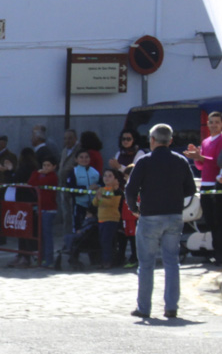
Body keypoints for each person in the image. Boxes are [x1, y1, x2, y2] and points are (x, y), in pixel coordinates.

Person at [126, 123, 197, 319]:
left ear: (153, 140)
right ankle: (171, 306)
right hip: (174, 215)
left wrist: (134, 208)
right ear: (171, 141)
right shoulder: (181, 161)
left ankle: (144, 308)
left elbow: (131, 189)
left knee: (146, 264)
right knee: (172, 262)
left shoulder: (144, 162)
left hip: (149, 215)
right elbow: (191, 189)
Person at [185, 110, 222, 266]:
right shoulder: (206, 141)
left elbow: (217, 162)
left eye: (217, 122)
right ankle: (216, 252)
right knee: (211, 222)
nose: (213, 125)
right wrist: (197, 155)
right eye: (211, 122)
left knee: (219, 222)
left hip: (217, 184)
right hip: (205, 185)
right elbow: (201, 166)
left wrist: (201, 157)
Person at [65, 149, 101, 248]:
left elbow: (102, 184)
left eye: (86, 157)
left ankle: (93, 255)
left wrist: (98, 187)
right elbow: (71, 190)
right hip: (79, 205)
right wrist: (86, 188)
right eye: (81, 157)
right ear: (76, 159)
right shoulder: (73, 172)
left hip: (93, 206)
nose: (84, 159)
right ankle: (74, 256)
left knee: (92, 230)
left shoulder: (95, 172)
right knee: (78, 229)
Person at [28, 155, 59, 268]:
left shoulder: (53, 177)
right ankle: (42, 258)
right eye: (44, 165)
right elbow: (31, 183)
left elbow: (37, 184)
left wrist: (38, 175)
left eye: (48, 165)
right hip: (40, 208)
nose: (45, 167)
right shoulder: (40, 175)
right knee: (40, 235)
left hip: (49, 209)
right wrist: (36, 173)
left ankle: (49, 259)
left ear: (54, 167)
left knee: (47, 235)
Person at [94, 169, 124, 269]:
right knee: (102, 241)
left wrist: (101, 198)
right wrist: (98, 197)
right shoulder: (102, 189)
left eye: (110, 176)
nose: (106, 178)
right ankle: (103, 260)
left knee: (107, 241)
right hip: (101, 219)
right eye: (105, 175)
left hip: (111, 219)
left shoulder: (116, 191)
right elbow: (95, 203)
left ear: (115, 179)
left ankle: (108, 261)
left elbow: (112, 204)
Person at [58, 128, 81, 229]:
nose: (67, 141)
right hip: (63, 186)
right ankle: (66, 238)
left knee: (73, 213)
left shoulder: (79, 151)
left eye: (70, 138)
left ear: (75, 138)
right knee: (66, 214)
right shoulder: (64, 151)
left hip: (73, 186)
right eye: (65, 139)